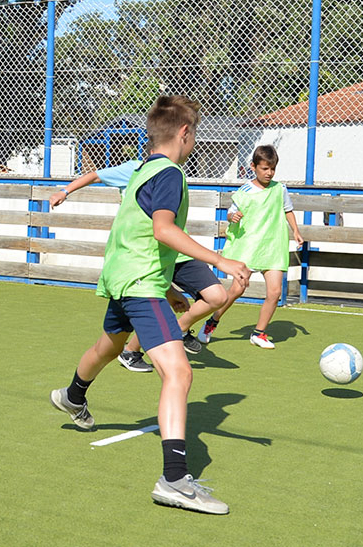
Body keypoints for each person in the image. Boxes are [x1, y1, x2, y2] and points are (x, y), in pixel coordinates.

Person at [49, 95, 250, 514]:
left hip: (122, 278)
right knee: (178, 372)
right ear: (184, 133)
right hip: (139, 282)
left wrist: (170, 292)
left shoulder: (141, 171)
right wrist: (219, 259)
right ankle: (175, 479)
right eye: (194, 134)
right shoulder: (172, 173)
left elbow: (139, 231)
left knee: (105, 349)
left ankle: (72, 395)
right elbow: (162, 229)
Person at [51, 159, 230, 372]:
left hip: (176, 250)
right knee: (118, 339)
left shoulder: (173, 171)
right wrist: (64, 191)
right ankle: (124, 357)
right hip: (145, 258)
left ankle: (176, 330)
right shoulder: (136, 168)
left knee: (217, 296)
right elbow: (96, 175)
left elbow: (166, 224)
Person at [198, 145, 304, 349]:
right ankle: (212, 322)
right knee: (237, 290)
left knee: (274, 293)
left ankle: (259, 333)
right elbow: (231, 213)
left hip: (273, 246)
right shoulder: (245, 191)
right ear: (253, 167)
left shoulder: (280, 189)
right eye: (265, 168)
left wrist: (296, 231)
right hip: (249, 247)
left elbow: (287, 210)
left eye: (272, 169)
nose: (269, 173)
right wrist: (233, 217)